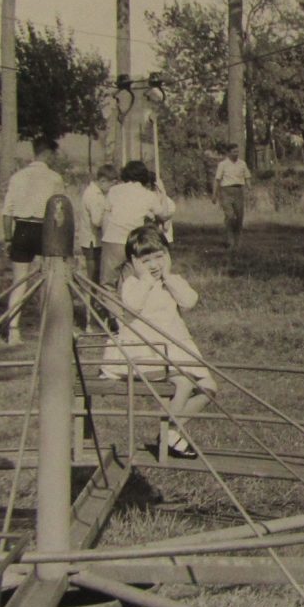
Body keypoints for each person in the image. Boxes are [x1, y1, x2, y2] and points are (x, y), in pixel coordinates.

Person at [101, 225, 215, 459]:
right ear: (134, 261)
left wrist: (168, 277)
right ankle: (171, 436)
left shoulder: (171, 281)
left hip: (172, 349)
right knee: (184, 382)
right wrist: (145, 279)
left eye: (159, 257)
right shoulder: (134, 284)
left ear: (167, 255)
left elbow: (190, 300)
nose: (154, 265)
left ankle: (171, 430)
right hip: (145, 351)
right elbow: (132, 306)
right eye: (146, 260)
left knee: (210, 388)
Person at [1, 135, 65, 345]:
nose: (55, 158)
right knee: (49, 280)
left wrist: (8, 238)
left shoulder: (17, 177)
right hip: (44, 230)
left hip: (21, 229)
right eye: (54, 154)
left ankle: (13, 331)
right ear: (47, 153)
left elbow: (7, 212)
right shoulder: (54, 178)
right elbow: (60, 211)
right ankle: (49, 329)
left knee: (19, 282)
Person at [99, 160, 175, 295]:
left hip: (112, 240)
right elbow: (164, 216)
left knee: (107, 283)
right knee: (130, 282)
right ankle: (126, 312)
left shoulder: (114, 190)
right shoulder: (148, 195)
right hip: (132, 242)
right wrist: (162, 193)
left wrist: (105, 238)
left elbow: (105, 217)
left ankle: (111, 313)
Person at [78, 164, 118, 329]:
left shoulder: (99, 193)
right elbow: (97, 221)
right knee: (94, 282)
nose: (112, 188)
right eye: (111, 184)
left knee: (99, 281)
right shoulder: (93, 195)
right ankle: (90, 320)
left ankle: (97, 316)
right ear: (102, 181)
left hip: (98, 242)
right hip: (93, 243)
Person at [212, 144, 252, 249]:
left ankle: (237, 243)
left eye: (237, 152)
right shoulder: (222, 164)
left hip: (238, 191)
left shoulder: (242, 164)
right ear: (228, 153)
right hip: (226, 191)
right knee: (229, 216)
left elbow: (247, 177)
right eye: (234, 152)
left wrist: (249, 188)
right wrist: (214, 195)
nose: (236, 154)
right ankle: (230, 241)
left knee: (239, 217)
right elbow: (217, 180)